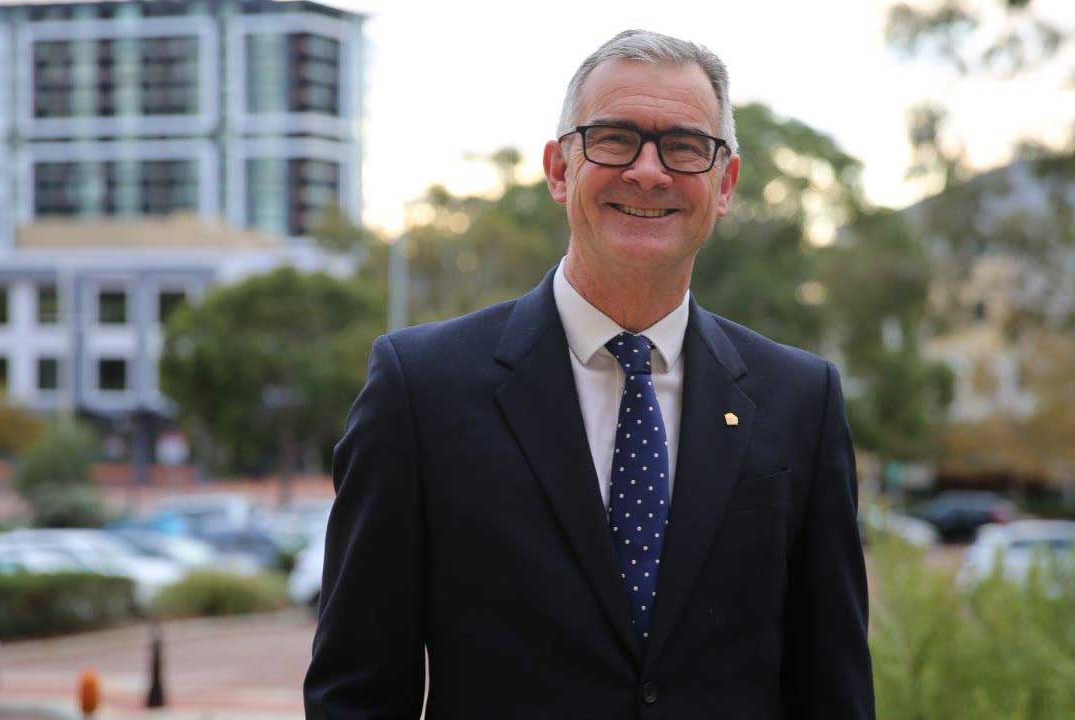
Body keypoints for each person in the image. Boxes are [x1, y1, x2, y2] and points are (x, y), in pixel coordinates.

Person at [305, 29, 875, 719]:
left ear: (724, 185)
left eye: (685, 146)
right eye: (613, 138)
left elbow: (834, 691)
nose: (648, 170)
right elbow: (356, 694)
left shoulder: (801, 402)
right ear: (557, 168)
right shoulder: (419, 392)